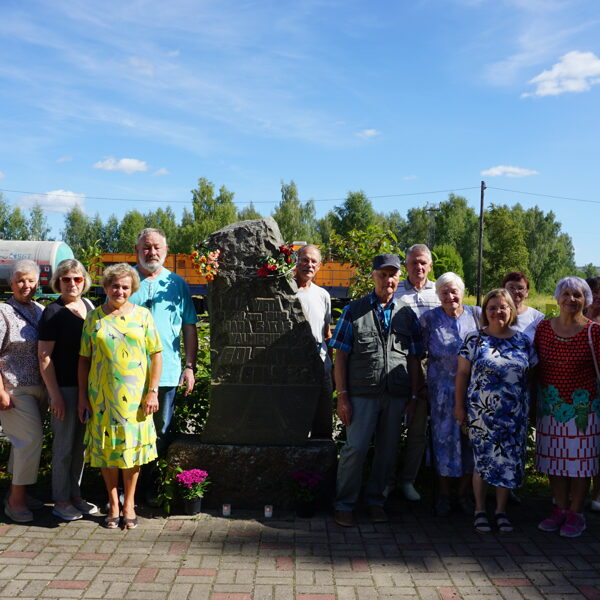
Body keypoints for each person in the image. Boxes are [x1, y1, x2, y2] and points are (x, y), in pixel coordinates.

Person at [330, 254, 424, 527]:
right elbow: (341, 357)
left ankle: (375, 502)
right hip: (362, 394)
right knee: (356, 449)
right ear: (373, 276)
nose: (388, 280)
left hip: (396, 395)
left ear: (399, 278)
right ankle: (344, 504)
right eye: (383, 274)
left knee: (387, 451)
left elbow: (414, 358)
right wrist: (342, 396)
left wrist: (414, 397)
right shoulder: (354, 310)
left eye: (392, 275)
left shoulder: (406, 314)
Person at [78, 263, 163, 529]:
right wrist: (83, 397)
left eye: (125, 287)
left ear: (132, 289)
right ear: (106, 287)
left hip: (136, 399)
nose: (120, 291)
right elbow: (83, 360)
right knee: (107, 451)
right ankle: (113, 503)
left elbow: (156, 354)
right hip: (101, 397)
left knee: (131, 453)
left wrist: (152, 391)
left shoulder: (143, 316)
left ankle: (129, 504)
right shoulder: (94, 318)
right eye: (115, 286)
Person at [455, 289, 537, 534]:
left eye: (503, 307)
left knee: (508, 462)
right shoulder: (474, 339)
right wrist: (459, 406)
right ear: (485, 311)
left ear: (511, 310)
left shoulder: (523, 341)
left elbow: (532, 376)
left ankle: (501, 511)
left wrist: (531, 408)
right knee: (483, 461)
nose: (497, 312)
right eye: (492, 307)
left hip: (514, 415)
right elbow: (462, 374)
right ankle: (480, 510)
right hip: (482, 414)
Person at [129, 228, 198, 504]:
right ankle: (126, 490)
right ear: (137, 251)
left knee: (160, 433)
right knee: (128, 432)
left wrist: (189, 366)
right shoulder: (125, 280)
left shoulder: (176, 284)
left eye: (157, 247)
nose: (152, 252)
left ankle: (149, 488)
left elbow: (189, 326)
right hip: (127, 374)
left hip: (167, 373)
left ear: (166, 251)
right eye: (146, 247)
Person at [535, 277, 600, 537]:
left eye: (577, 295)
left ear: (586, 300)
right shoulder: (543, 328)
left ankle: (576, 513)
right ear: (557, 297)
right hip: (550, 408)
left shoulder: (594, 331)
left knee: (581, 463)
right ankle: (560, 509)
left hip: (585, 411)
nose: (571, 299)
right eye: (566, 294)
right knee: (554, 460)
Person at [38, 259, 98, 522]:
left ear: (84, 281)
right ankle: (60, 500)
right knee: (63, 447)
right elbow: (44, 356)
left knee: (79, 447)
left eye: (77, 279)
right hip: (65, 388)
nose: (72, 284)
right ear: (58, 282)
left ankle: (75, 495)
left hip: (88, 389)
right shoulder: (53, 312)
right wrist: (55, 395)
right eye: (66, 279)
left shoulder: (89, 306)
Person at [419, 272, 480, 517]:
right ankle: (443, 495)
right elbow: (417, 354)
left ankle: (464, 495)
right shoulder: (429, 319)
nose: (450, 296)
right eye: (444, 292)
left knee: (470, 444)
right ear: (438, 295)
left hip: (473, 393)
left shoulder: (476, 315)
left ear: (462, 292)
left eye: (454, 291)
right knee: (443, 443)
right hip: (441, 395)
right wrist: (421, 386)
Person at [394, 244, 440, 501]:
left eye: (423, 262)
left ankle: (408, 480)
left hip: (427, 366)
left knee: (418, 429)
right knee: (390, 427)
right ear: (406, 265)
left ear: (430, 266)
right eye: (413, 262)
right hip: (396, 363)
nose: (418, 267)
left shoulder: (439, 291)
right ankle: (386, 480)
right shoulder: (395, 289)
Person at [0, 260, 45, 523]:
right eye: (20, 280)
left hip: (39, 387)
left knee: (23, 444)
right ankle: (15, 501)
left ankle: (19, 493)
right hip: (14, 389)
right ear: (11, 283)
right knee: (30, 440)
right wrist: (1, 391)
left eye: (30, 280)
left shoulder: (40, 310)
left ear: (38, 283)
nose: (25, 285)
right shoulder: (3, 312)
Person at [295, 244, 333, 439]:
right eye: (305, 260)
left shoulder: (323, 295)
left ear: (319, 266)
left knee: (323, 416)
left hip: (320, 362)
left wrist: (331, 368)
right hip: (293, 364)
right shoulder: (286, 293)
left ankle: (322, 449)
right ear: (296, 262)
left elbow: (327, 334)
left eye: (313, 261)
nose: (309, 265)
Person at [502, 271, 544, 341]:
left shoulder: (537, 318)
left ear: (527, 292)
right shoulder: (494, 314)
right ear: (502, 290)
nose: (516, 291)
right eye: (511, 287)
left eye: (520, 288)